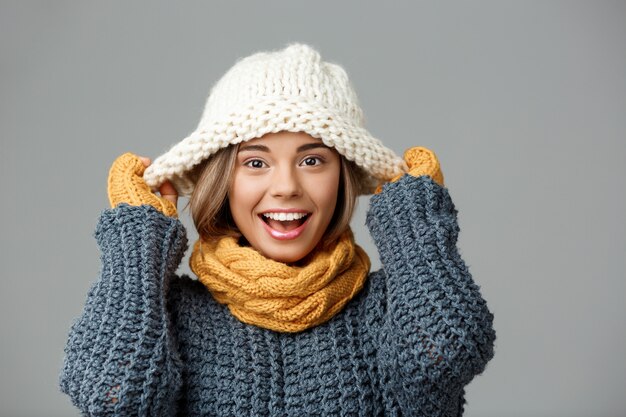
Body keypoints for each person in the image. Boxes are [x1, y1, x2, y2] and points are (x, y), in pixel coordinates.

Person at [59, 43, 496, 416]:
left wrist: (413, 218)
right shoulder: (169, 314)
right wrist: (139, 242)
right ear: (222, 180)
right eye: (255, 162)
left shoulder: (389, 309)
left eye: (312, 160)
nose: (286, 187)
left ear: (343, 177)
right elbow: (111, 398)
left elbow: (448, 352)